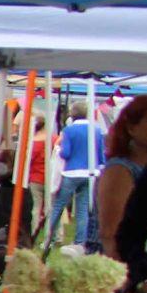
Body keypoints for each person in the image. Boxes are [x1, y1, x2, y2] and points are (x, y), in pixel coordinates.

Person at [94, 96, 147, 273]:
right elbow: (111, 233)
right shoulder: (120, 170)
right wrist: (129, 276)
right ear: (132, 127)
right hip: (117, 268)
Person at [49, 104, 105, 247]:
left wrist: (58, 148)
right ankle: (80, 240)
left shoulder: (69, 131)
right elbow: (101, 155)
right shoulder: (97, 131)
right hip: (91, 173)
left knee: (58, 205)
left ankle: (50, 238)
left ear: (72, 115)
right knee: (83, 208)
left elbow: (65, 153)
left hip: (72, 172)